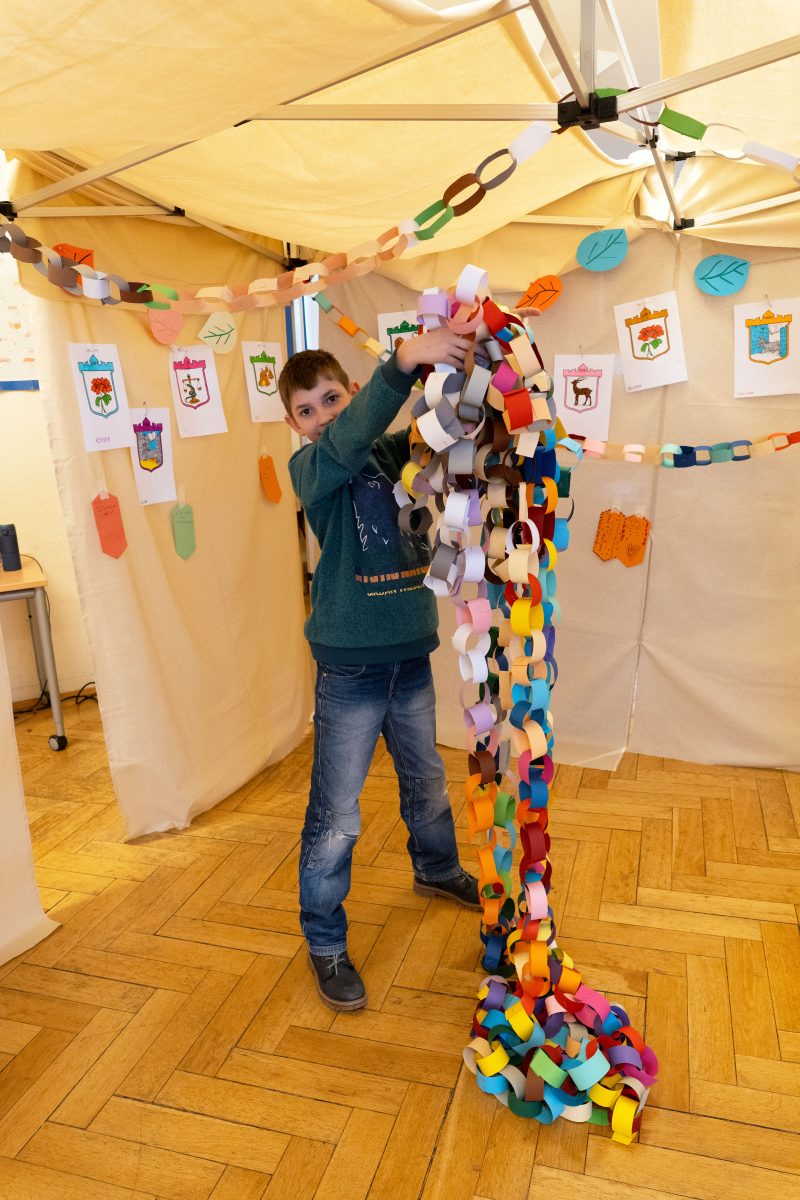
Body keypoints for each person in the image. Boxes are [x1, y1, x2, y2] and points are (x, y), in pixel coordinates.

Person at [280, 328, 480, 1011]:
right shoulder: (311, 470)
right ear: (294, 426)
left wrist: (464, 371)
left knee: (427, 780)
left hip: (410, 657)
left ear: (353, 392)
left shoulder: (395, 453)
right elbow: (346, 443)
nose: (322, 416)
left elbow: (447, 433)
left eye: (332, 398)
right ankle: (324, 940)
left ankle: (437, 868)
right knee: (337, 815)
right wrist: (401, 364)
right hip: (350, 673)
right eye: (306, 410)